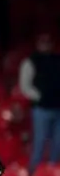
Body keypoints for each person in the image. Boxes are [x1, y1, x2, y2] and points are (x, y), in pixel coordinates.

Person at [18, 33, 60, 166]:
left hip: (58, 108)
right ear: (38, 43)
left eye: (48, 42)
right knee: (40, 142)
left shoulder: (57, 59)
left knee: (57, 143)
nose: (46, 45)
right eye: (43, 42)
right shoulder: (30, 61)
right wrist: (40, 96)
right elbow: (25, 85)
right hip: (41, 109)